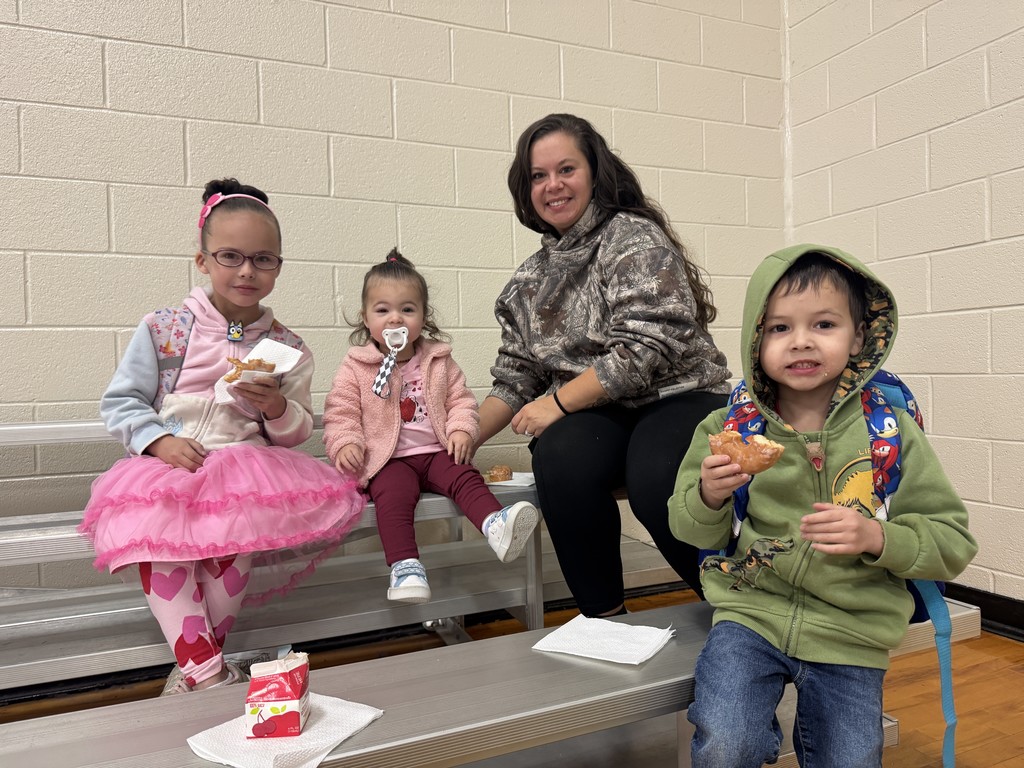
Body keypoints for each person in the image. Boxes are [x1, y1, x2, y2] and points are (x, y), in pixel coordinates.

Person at [668, 245, 977, 767]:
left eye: (825, 324)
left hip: (853, 629)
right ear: (755, 341)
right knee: (726, 743)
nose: (802, 341)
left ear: (858, 337)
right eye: (779, 328)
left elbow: (952, 542)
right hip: (750, 615)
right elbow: (685, 524)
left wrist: (877, 538)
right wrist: (709, 494)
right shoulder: (728, 430)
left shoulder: (890, 432)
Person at [78, 178, 365, 695]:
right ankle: (208, 675)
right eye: (230, 256)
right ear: (203, 260)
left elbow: (296, 430)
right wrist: (158, 440)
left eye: (263, 259)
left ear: (279, 266)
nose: (247, 270)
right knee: (159, 547)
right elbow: (120, 402)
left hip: (245, 472)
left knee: (232, 551)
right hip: (169, 465)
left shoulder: (288, 346)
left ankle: (196, 672)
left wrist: (276, 408)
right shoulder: (164, 329)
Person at [474, 113, 731, 618]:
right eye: (538, 176)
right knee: (561, 459)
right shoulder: (528, 280)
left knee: (656, 476)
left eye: (565, 169)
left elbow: (644, 351)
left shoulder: (633, 238)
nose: (553, 185)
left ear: (594, 172)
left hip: (678, 394)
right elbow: (514, 376)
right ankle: (605, 619)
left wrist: (557, 402)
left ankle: (740, 607)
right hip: (600, 412)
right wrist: (458, 439)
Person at [322, 249, 539, 604]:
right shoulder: (357, 367)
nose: (396, 319)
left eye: (407, 309)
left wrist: (461, 429)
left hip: (436, 451)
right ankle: (406, 568)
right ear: (365, 319)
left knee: (463, 473)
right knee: (393, 497)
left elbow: (461, 400)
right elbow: (340, 411)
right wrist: (345, 442)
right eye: (383, 310)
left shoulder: (437, 360)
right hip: (388, 459)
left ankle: (494, 525)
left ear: (423, 316)